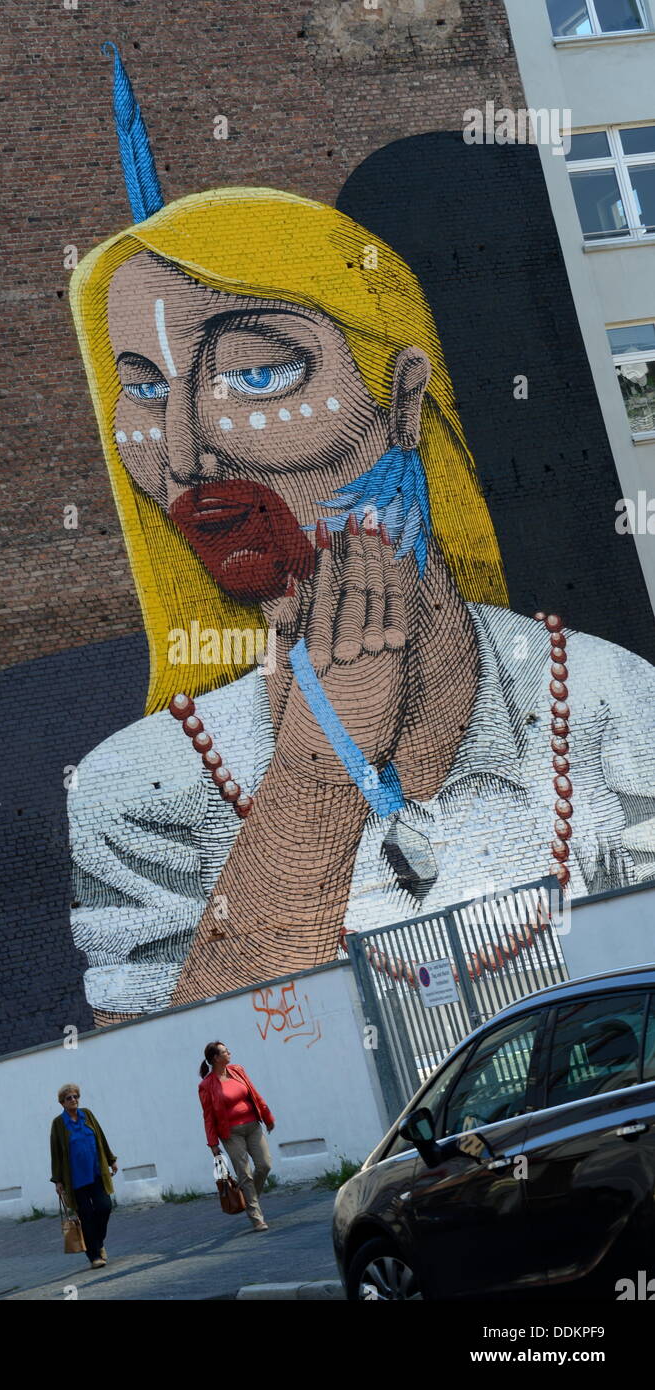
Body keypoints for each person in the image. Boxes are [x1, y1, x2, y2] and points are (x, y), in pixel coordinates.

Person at [64, 51, 655, 1020]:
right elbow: (186, 1073)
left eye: (254, 374)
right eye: (140, 389)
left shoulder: (608, 707)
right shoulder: (136, 796)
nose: (181, 456)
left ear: (404, 401)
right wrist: (315, 767)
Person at [198, 1041, 275, 1232]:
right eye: (225, 1051)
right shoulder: (206, 1085)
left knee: (265, 1165)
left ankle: (249, 1198)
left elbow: (254, 1094)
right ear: (216, 1058)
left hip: (253, 1126)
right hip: (231, 1133)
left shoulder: (238, 1070)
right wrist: (213, 1144)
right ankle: (257, 1218)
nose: (229, 1053)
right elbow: (208, 1116)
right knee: (244, 1174)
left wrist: (267, 1116)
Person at [50, 1083, 118, 1269]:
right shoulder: (58, 1124)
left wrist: (111, 1159)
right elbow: (56, 1153)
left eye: (75, 1096)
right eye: (68, 1098)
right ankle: (94, 1256)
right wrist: (58, 1180)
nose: (73, 1100)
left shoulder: (87, 1114)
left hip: (96, 1173)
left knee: (104, 1207)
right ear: (62, 1103)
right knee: (86, 1216)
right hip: (75, 1179)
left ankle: (98, 1242)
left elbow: (101, 1138)